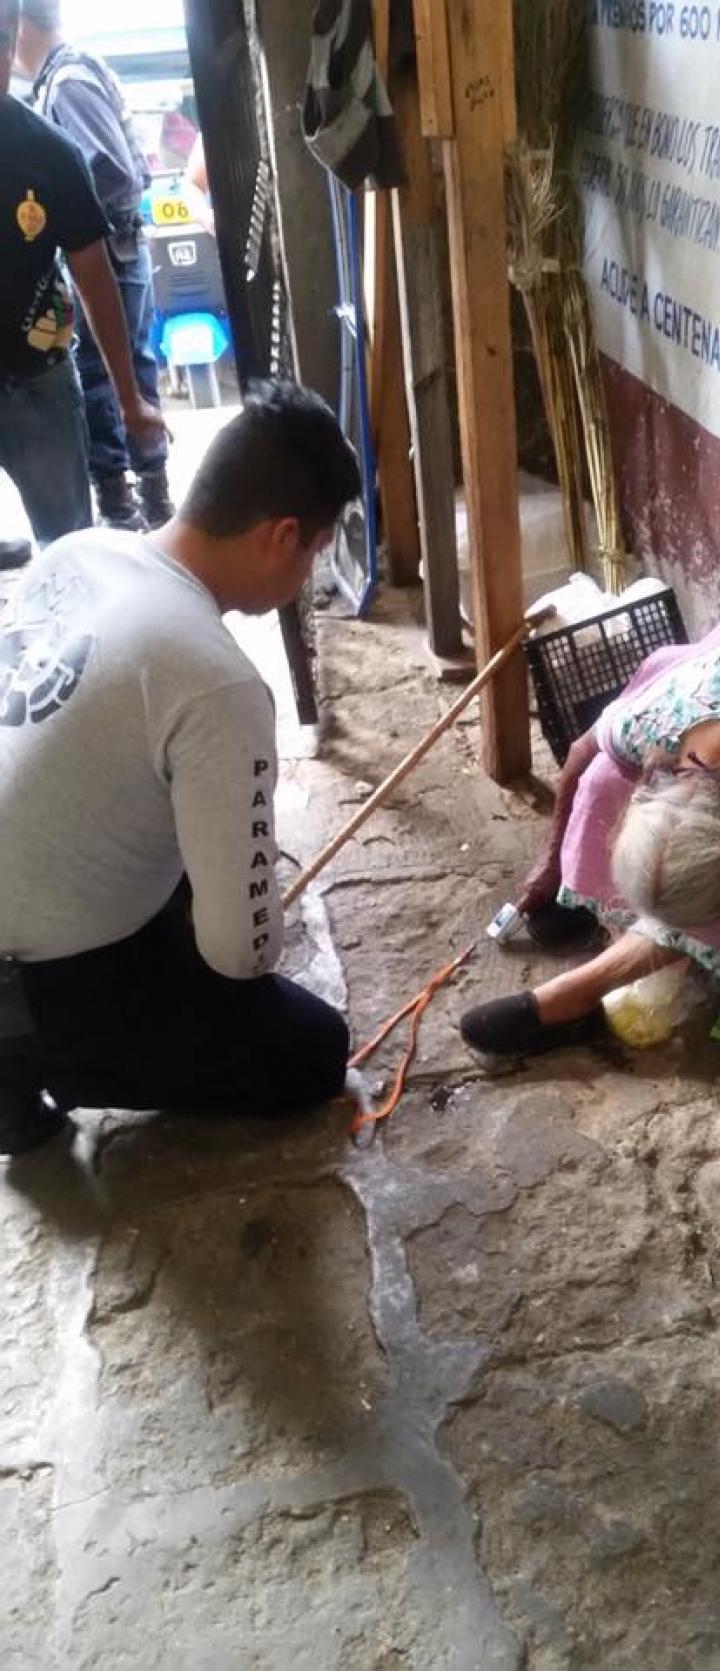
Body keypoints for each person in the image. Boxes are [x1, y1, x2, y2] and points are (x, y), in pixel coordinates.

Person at [0, 381, 361, 1155]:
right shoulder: (217, 681)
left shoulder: (80, 551)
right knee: (311, 1051)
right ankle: (28, 1063)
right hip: (37, 987)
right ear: (282, 534)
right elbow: (239, 953)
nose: (307, 576)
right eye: (317, 551)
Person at [460, 602, 720, 1056]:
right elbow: (580, 753)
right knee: (602, 781)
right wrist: (549, 863)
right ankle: (599, 915)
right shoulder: (655, 720)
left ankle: (579, 994)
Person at [0, 0, 165, 568]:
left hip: (36, 378)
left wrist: (130, 400)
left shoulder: (49, 152)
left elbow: (95, 278)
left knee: (70, 549)